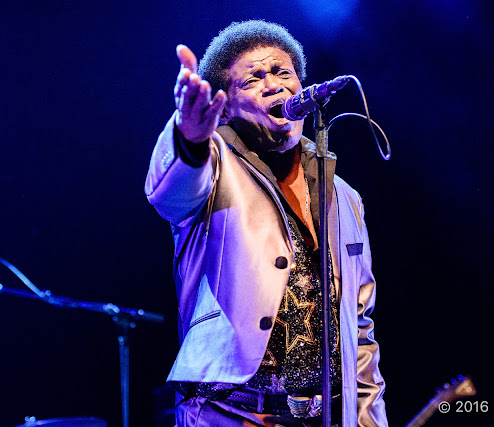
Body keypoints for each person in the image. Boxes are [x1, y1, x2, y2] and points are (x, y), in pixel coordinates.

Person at [145, 20, 387, 426]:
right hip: (228, 414)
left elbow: (359, 329)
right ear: (224, 107)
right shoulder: (214, 165)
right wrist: (188, 137)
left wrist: (368, 419)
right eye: (253, 79)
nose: (274, 84)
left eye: (282, 72)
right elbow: (170, 194)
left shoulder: (345, 197)